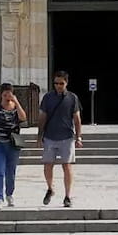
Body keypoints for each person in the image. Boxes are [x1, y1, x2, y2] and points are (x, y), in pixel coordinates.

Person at [37, 69, 82, 207]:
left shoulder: (72, 98)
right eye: (56, 83)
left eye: (61, 83)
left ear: (66, 83)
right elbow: (42, 117)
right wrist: (39, 136)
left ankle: (67, 196)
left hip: (67, 137)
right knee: (47, 165)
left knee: (67, 166)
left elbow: (77, 118)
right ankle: (50, 188)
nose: (58, 86)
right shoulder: (48, 98)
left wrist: (78, 137)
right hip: (50, 136)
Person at [0, 82, 27, 209]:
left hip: (13, 144)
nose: (7, 96)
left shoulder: (15, 109)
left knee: (10, 172)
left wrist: (16, 103)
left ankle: (9, 194)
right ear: (1, 95)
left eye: (10, 93)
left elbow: (23, 118)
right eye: (5, 94)